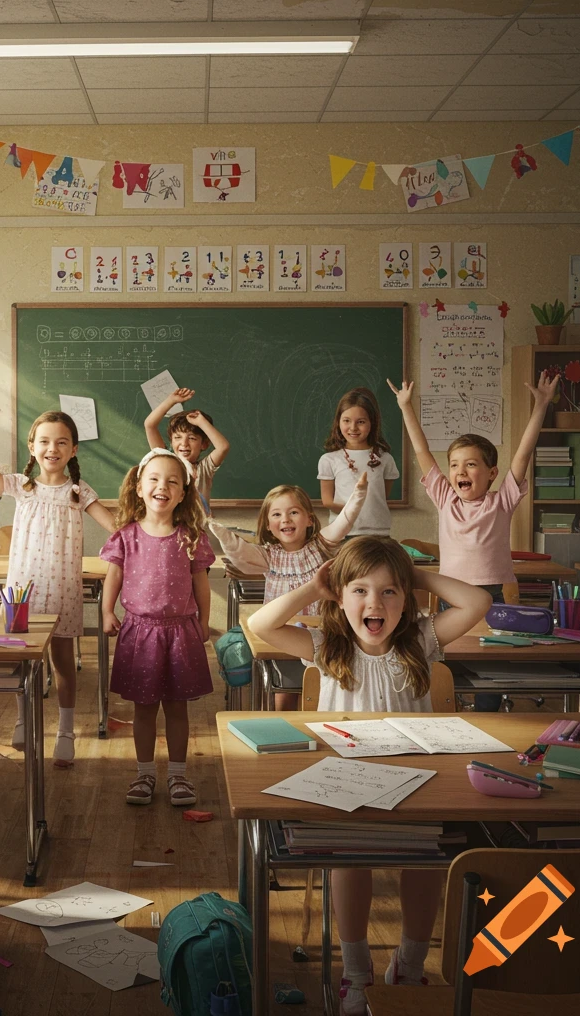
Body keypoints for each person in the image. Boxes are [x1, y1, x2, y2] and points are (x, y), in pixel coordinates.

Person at [248, 537, 490, 1013]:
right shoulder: (326, 645)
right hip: (347, 785)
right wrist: (314, 587)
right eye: (359, 590)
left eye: (389, 593)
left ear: (408, 599)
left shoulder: (421, 639)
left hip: (417, 783)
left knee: (424, 867)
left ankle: (410, 965)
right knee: (349, 861)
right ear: (339, 597)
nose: (374, 603)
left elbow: (478, 601)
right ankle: (356, 972)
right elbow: (260, 624)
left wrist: (412, 574)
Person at [0, 411, 115, 766]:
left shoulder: (78, 492)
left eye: (61, 442)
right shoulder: (22, 485)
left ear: (73, 450)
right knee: (22, 662)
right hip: (22, 592)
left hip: (63, 591)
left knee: (64, 664)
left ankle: (65, 731)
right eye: (45, 441)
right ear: (32, 447)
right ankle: (23, 720)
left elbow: (115, 526)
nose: (52, 448)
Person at [388, 371, 559, 710]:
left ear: (492, 473)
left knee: (490, 663)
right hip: (453, 594)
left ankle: (486, 715)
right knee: (447, 658)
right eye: (454, 465)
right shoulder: (445, 498)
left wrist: (540, 406)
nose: (460, 471)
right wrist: (406, 408)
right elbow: (422, 451)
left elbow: (522, 456)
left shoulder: (502, 500)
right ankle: (450, 711)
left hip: (495, 593)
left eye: (471, 465)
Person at [101, 448, 213, 807]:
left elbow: (202, 584)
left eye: (172, 481)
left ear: (183, 493)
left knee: (178, 708)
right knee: (143, 709)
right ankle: (145, 774)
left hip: (181, 632)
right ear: (138, 486)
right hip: (139, 632)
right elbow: (113, 576)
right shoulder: (126, 535)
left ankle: (178, 776)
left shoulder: (191, 536)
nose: (161, 486)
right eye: (154, 478)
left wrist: (205, 621)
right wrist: (106, 612)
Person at [208, 473, 368, 709]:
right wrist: (219, 530)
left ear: (309, 520)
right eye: (277, 514)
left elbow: (344, 522)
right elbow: (239, 552)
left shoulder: (321, 547)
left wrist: (358, 495)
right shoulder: (268, 556)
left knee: (314, 696)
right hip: (280, 636)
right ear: (269, 526)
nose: (286, 519)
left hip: (320, 636)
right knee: (282, 699)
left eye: (293, 512)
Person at [319, 387, 399, 537]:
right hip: (343, 533)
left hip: (378, 532)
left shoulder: (385, 458)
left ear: (372, 423)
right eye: (346, 421)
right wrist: (354, 511)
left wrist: (367, 509)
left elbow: (380, 497)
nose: (353, 428)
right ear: (338, 422)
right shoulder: (329, 460)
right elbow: (327, 501)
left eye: (361, 422)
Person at [144, 387, 230, 511]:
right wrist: (172, 400)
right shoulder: (164, 459)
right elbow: (150, 425)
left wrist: (202, 422)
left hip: (195, 528)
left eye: (192, 438)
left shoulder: (204, 469)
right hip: (171, 527)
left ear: (204, 445)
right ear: (171, 441)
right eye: (178, 437)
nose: (184, 443)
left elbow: (223, 447)